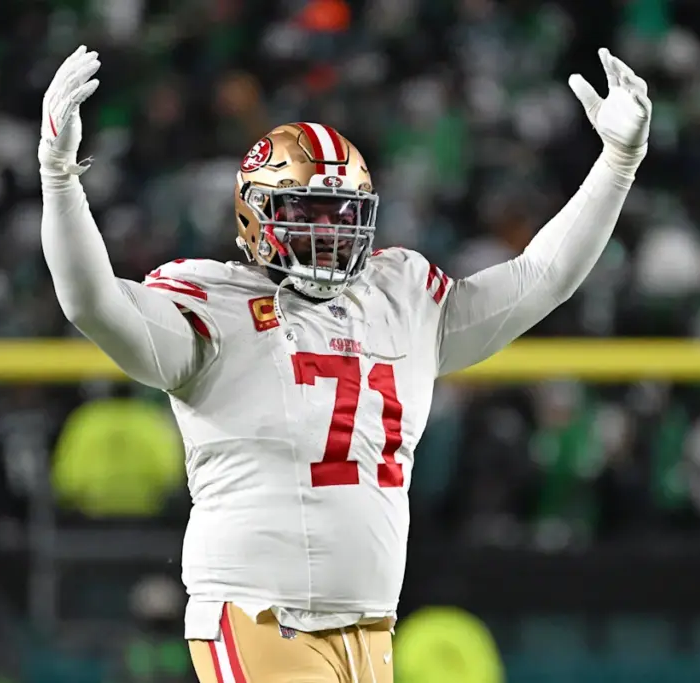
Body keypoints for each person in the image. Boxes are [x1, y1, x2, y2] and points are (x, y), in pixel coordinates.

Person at [39, 45, 651, 683]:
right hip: (260, 614)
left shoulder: (400, 297)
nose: (330, 232)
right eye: (309, 213)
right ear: (255, 214)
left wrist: (618, 162)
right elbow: (92, 302)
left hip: (371, 626)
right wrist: (59, 178)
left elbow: (540, 278)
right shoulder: (215, 307)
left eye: (344, 214)